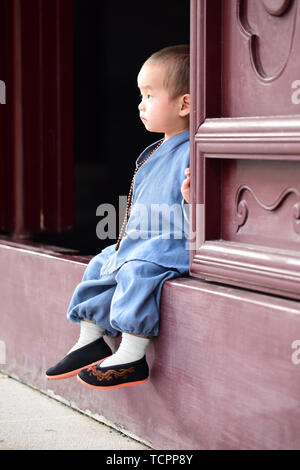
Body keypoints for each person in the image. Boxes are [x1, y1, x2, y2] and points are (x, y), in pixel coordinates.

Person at [46, 45, 191, 390]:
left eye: (150, 95)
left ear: (184, 104)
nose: (141, 104)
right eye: (140, 94)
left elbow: (199, 211)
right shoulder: (154, 151)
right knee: (102, 262)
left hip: (171, 246)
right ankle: (90, 338)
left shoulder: (193, 151)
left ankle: (132, 352)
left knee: (138, 269)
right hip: (143, 242)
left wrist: (191, 198)